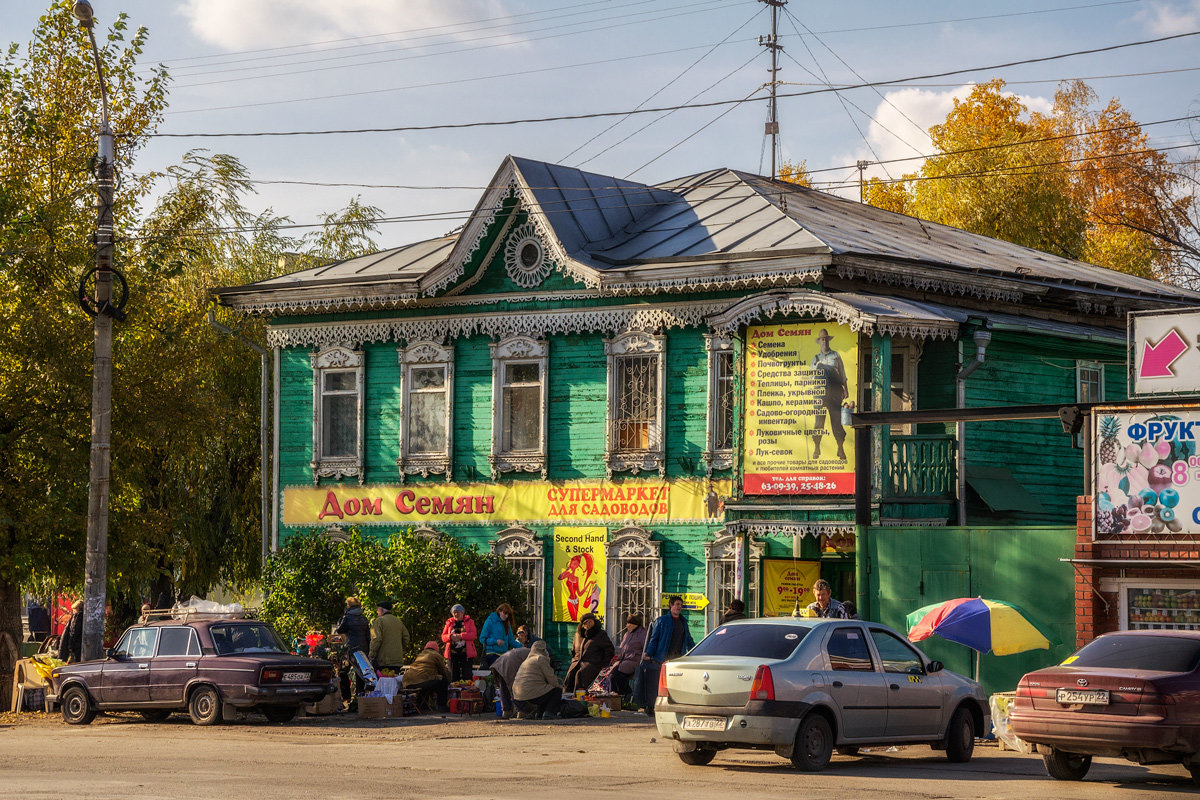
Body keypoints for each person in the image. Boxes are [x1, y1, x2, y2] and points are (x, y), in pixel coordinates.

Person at [639, 596, 694, 714]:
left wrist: (694, 651)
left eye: (681, 605)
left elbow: (688, 639)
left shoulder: (683, 622)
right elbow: (654, 639)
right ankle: (652, 707)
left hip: (677, 658)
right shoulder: (662, 621)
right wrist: (648, 653)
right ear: (671, 605)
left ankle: (672, 707)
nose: (679, 607)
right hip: (662, 657)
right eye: (677, 604)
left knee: (674, 684)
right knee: (658, 685)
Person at [809, 328, 848, 461]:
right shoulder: (815, 359)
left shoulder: (835, 355)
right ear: (819, 342)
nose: (824, 341)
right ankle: (817, 447)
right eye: (822, 339)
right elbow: (810, 377)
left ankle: (840, 447)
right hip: (820, 392)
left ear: (828, 340)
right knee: (818, 422)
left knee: (836, 421)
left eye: (825, 339)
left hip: (834, 391)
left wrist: (845, 389)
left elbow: (842, 374)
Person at [563, 611, 614, 693]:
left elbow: (609, 650)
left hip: (593, 663)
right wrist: (574, 660)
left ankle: (579, 700)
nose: (589, 624)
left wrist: (604, 665)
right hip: (577, 662)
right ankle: (567, 699)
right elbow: (573, 650)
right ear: (583, 625)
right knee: (570, 676)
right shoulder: (578, 635)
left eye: (590, 622)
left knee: (579, 676)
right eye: (586, 623)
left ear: (594, 621)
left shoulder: (600, 634)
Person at [512, 640, 561, 720]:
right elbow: (551, 678)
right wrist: (560, 687)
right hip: (530, 693)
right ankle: (549, 713)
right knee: (556, 691)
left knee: (543, 690)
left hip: (517, 695)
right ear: (543, 650)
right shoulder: (541, 658)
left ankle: (539, 714)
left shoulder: (526, 661)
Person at [335, 596, 371, 700]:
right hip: (363, 648)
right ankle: (361, 696)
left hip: (351, 648)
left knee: (343, 671)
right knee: (360, 671)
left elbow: (339, 630)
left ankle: (347, 697)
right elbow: (368, 636)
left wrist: (341, 619)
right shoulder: (364, 618)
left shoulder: (347, 617)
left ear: (348, 605)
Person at [490, 641, 533, 718]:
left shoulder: (527, 651)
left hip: (500, 663)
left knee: (504, 688)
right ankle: (521, 711)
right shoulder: (536, 656)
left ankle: (506, 711)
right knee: (514, 687)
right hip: (509, 664)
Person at [404, 641, 451, 712]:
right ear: (436, 649)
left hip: (408, 681)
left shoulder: (420, 655)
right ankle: (442, 706)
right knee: (443, 682)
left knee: (426, 684)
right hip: (422, 680)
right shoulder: (436, 655)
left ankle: (422, 705)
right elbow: (443, 670)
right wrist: (448, 680)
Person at [368, 599, 410, 673]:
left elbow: (376, 639)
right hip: (398, 660)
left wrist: (371, 654)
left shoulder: (379, 621)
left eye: (377, 610)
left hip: (384, 661)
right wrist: (399, 649)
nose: (377, 612)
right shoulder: (398, 621)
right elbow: (406, 638)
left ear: (381, 610)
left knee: (385, 682)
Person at [610, 613, 646, 698]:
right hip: (624, 660)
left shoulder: (642, 633)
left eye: (629, 623)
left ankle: (626, 693)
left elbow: (645, 648)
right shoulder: (627, 634)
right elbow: (623, 649)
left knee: (617, 673)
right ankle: (616, 696)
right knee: (612, 675)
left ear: (635, 624)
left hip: (635, 660)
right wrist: (617, 660)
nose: (627, 626)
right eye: (627, 623)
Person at [441, 603, 477, 682]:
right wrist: (450, 636)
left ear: (462, 613)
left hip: (466, 654)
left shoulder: (470, 622)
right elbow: (443, 637)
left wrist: (461, 636)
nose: (456, 614)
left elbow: (473, 635)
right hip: (452, 654)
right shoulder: (449, 622)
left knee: (467, 677)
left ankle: (467, 693)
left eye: (458, 612)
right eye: (454, 612)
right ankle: (454, 693)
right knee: (453, 677)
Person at [478, 602, 520, 668]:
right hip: (492, 654)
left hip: (503, 655)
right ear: (499, 611)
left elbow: (511, 641)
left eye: (508, 614)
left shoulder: (507, 624)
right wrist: (496, 641)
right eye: (505, 613)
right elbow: (482, 639)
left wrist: (522, 647)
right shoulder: (490, 621)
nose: (506, 616)